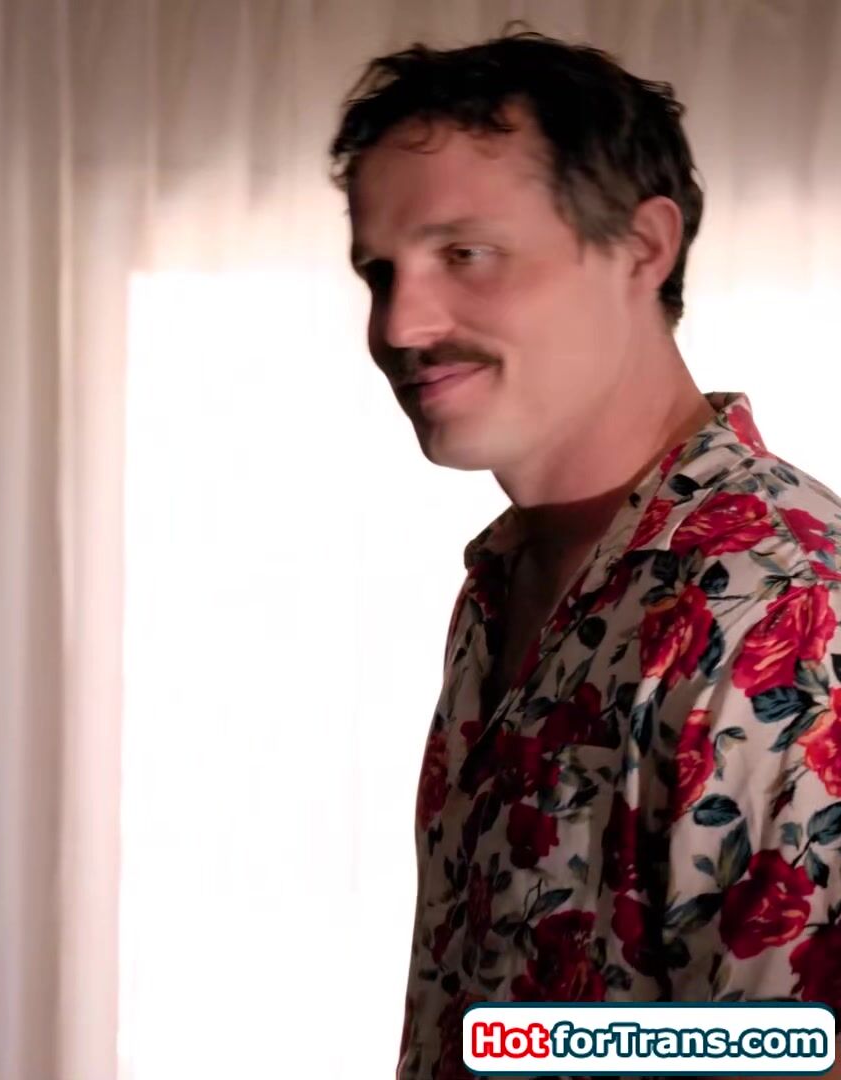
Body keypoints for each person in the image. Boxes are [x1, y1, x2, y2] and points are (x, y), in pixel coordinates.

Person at [330, 29, 841, 1078]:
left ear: (642, 248)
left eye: (466, 254)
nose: (401, 323)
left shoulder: (777, 607)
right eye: (381, 271)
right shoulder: (502, 584)